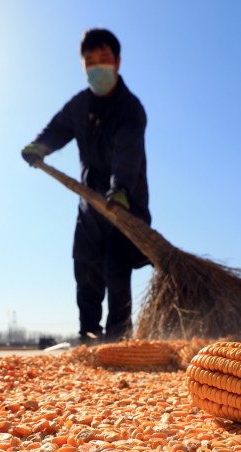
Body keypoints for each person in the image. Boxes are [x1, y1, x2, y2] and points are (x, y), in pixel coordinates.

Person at [22, 28, 151, 344]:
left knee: (116, 269)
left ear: (117, 62)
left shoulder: (130, 109)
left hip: (123, 204)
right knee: (86, 268)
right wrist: (39, 147)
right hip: (89, 202)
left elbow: (127, 154)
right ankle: (89, 337)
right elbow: (57, 129)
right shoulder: (80, 105)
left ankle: (119, 340)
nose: (96, 67)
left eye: (103, 59)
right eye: (89, 61)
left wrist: (120, 189)